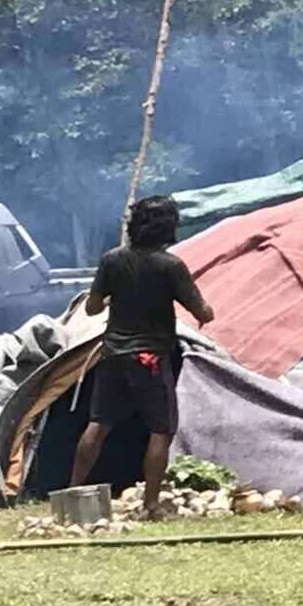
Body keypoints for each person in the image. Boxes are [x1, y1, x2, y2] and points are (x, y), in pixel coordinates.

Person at [69, 195, 215, 520]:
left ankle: (73, 495)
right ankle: (151, 505)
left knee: (98, 424)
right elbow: (200, 310)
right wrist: (208, 311)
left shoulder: (111, 259)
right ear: (168, 227)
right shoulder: (171, 266)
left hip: (112, 354)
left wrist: (109, 300)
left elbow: (92, 307)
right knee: (160, 430)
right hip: (149, 356)